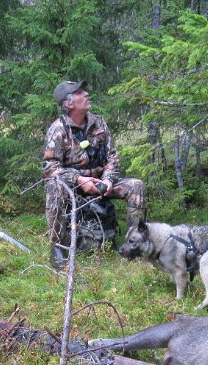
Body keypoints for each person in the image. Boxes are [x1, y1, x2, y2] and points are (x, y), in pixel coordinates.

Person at [43, 80, 146, 269]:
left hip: (101, 182)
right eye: (79, 92)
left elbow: (112, 157)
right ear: (68, 103)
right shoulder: (58, 130)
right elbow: (50, 169)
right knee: (53, 187)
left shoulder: (99, 123)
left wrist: (107, 181)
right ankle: (58, 248)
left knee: (136, 186)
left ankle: (135, 246)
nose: (86, 94)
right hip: (74, 186)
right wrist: (79, 180)